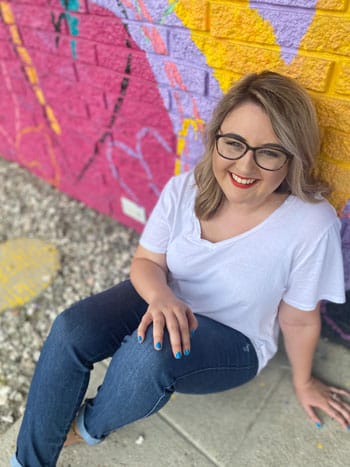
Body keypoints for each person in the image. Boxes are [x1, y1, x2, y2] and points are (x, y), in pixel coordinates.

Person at [11, 71, 349, 466]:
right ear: (216, 138)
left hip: (235, 341)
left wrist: (303, 381)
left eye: (269, 152)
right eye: (234, 143)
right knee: (72, 328)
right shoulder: (185, 188)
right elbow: (147, 263)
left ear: (292, 157)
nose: (245, 165)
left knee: (149, 351)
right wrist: (161, 296)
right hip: (166, 299)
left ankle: (89, 425)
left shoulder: (311, 223)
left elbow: (299, 318)